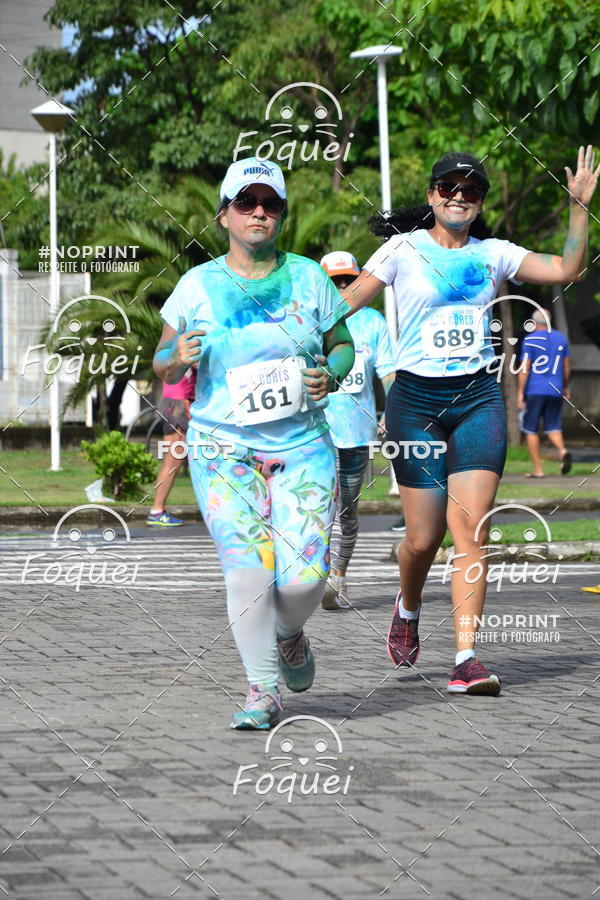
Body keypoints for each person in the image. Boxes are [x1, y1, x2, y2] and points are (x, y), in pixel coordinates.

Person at [340, 146, 599, 695]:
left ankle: (465, 658)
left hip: (479, 399)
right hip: (415, 404)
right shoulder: (400, 250)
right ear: (433, 196)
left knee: (470, 532)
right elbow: (349, 302)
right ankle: (407, 605)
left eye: (471, 191)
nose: (459, 197)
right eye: (448, 189)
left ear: (479, 203)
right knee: (422, 538)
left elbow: (567, 269)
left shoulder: (496, 253)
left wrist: (579, 209)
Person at [152, 157, 354, 729]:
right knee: (247, 569)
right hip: (222, 447)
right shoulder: (197, 285)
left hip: (303, 447)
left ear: (281, 215)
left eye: (271, 204)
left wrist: (332, 374)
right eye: (247, 203)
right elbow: (162, 365)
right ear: (225, 215)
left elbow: (343, 344)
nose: (259, 212)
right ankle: (262, 690)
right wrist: (177, 358)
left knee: (303, 579)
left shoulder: (311, 278)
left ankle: (289, 634)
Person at [319, 251, 396, 610]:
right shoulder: (310, 322)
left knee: (347, 510)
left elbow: (389, 373)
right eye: (335, 282)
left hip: (356, 433)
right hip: (315, 431)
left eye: (349, 279)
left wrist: (391, 411)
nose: (343, 287)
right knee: (316, 507)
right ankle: (313, 576)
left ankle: (340, 576)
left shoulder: (373, 322)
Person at [518, 308, 572, 477]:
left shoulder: (530, 339)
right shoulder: (561, 338)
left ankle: (538, 470)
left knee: (530, 429)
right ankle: (563, 451)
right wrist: (565, 386)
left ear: (534, 323)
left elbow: (524, 368)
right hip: (555, 389)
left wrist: (520, 392)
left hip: (535, 389)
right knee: (553, 427)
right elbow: (566, 366)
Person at [146, 369, 197, 526]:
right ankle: (156, 510)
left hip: (180, 402)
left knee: (176, 461)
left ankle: (157, 510)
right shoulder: (183, 345)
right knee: (173, 461)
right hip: (179, 403)